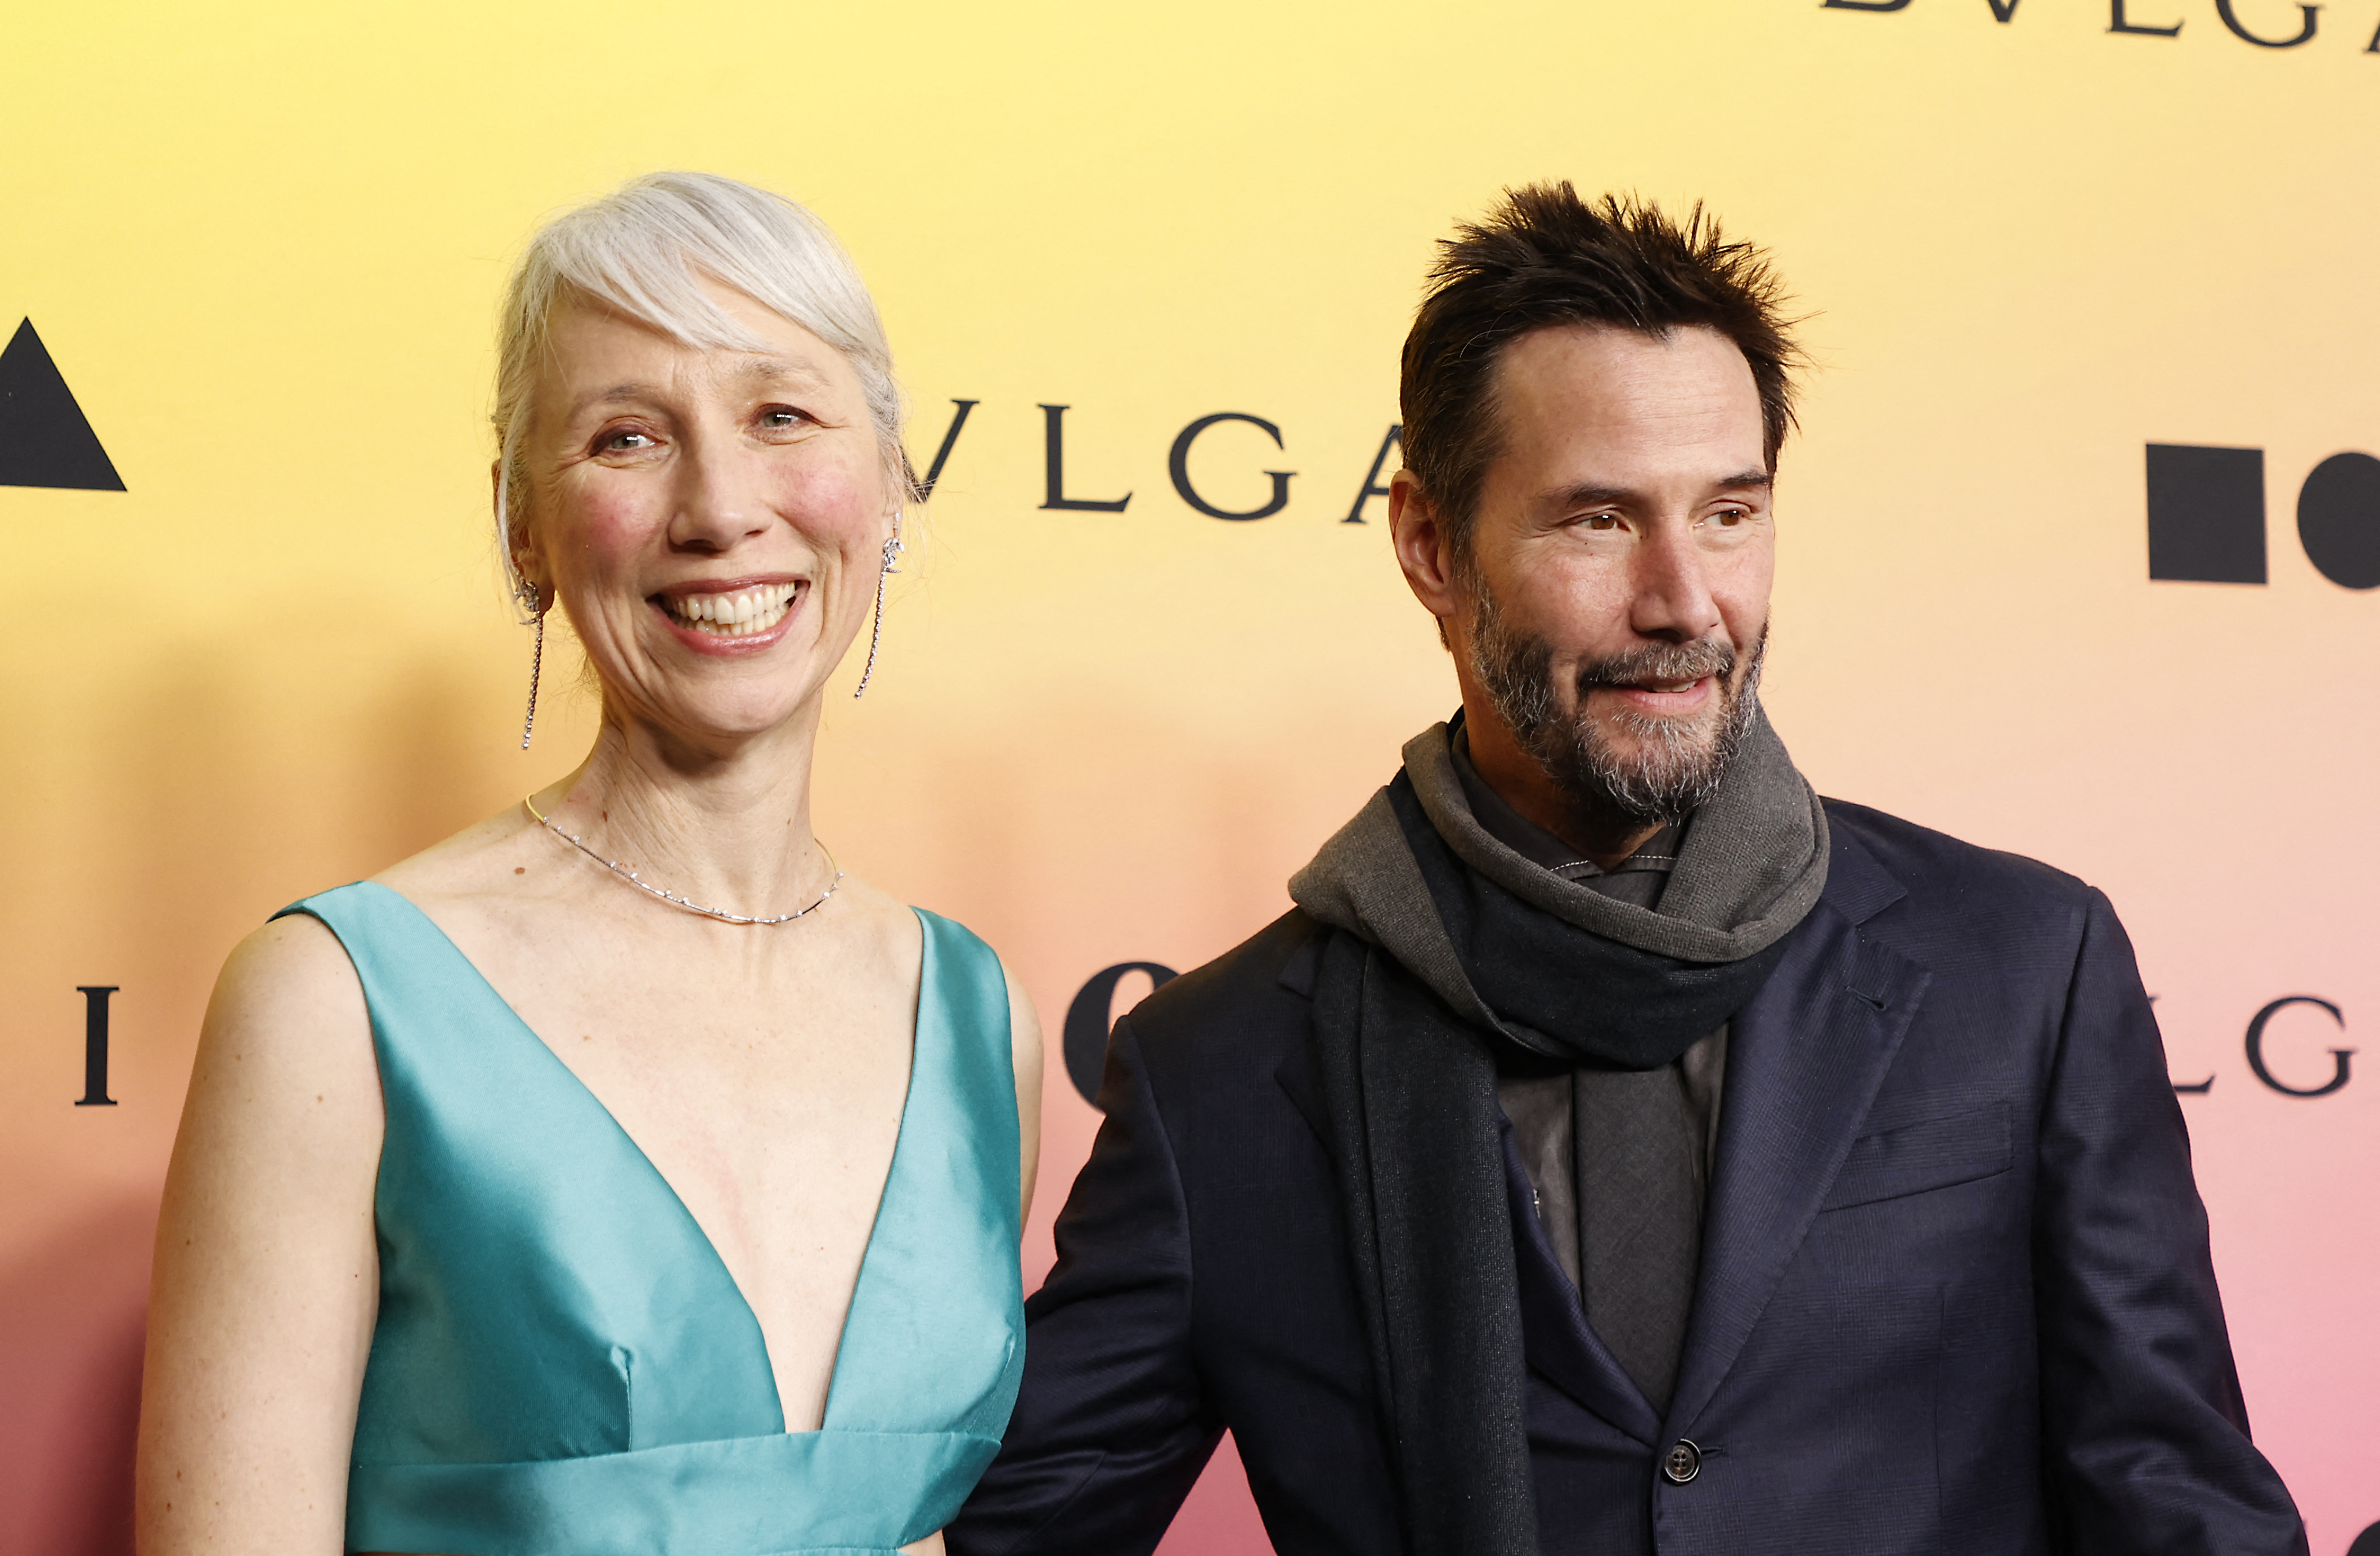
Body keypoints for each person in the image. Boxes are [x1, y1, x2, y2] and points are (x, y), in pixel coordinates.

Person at [950, 185, 2305, 1555]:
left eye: (1727, 514)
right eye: (1598, 522)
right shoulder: (1222, 1069)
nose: (1683, 601)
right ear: (1431, 545)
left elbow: (2176, 1498)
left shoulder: (2020, 963)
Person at [136, 172, 1041, 1556]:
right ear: (520, 527)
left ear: (890, 484)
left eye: (782, 415)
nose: (722, 507)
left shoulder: (975, 1017)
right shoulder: (332, 1001)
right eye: (627, 438)